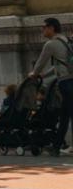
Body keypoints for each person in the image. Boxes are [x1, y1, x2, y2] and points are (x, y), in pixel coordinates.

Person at [28, 17, 73, 156]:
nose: (42, 29)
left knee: (68, 114)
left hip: (66, 83)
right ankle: (56, 146)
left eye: (44, 27)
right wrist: (43, 76)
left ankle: (57, 146)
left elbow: (40, 63)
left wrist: (34, 74)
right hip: (70, 80)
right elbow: (57, 66)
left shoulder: (51, 44)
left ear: (52, 28)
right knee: (65, 115)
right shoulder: (66, 40)